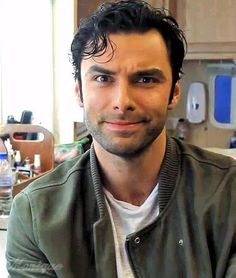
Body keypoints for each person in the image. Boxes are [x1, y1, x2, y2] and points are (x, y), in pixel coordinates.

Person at [6, 0, 236, 277]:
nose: (122, 101)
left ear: (174, 92)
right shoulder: (34, 214)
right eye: (103, 79)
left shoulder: (229, 194)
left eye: (145, 79)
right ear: (79, 92)